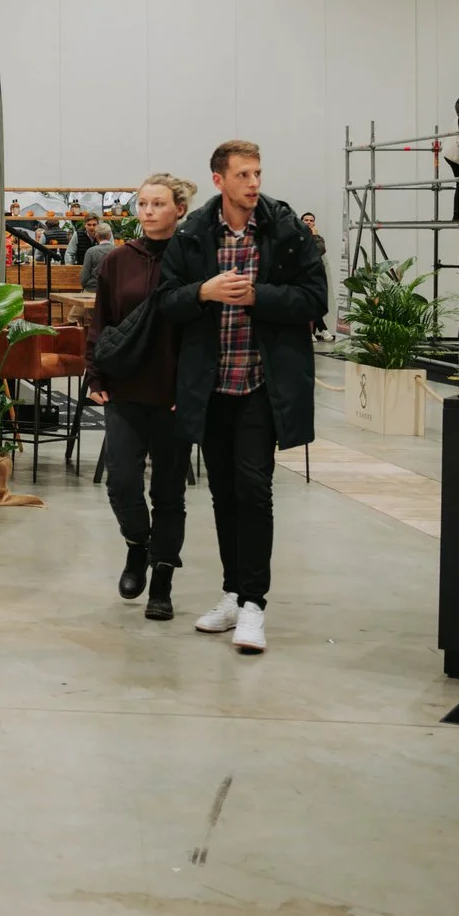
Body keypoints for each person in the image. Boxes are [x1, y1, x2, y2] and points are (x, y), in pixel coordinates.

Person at [155, 140, 326, 655]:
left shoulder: (285, 228)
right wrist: (202, 292)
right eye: (243, 175)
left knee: (254, 489)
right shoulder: (193, 234)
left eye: (257, 173)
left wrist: (258, 296)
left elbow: (315, 299)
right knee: (224, 492)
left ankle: (254, 604)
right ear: (219, 180)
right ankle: (232, 593)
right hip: (210, 387)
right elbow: (166, 302)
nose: (254, 183)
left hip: (260, 384)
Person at [87, 173, 194, 620]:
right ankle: (137, 545)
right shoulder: (118, 260)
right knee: (122, 482)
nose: (148, 211)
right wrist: (95, 374)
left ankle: (162, 581)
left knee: (169, 492)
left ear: (179, 210)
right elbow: (102, 320)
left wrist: (190, 388)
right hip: (126, 387)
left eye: (158, 203)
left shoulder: (193, 260)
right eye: (143, 203)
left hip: (173, 395)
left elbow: (201, 332)